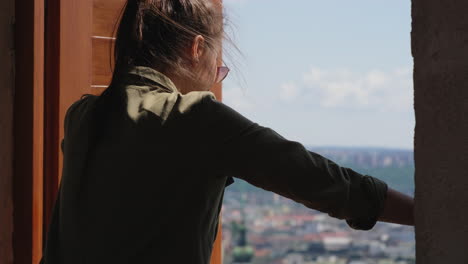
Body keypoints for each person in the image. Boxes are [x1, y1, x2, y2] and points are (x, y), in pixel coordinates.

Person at [39, 0, 414, 263]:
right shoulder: (194, 118)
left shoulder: (83, 116)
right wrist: (430, 213)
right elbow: (324, 181)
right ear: (197, 48)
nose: (215, 79)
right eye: (219, 68)